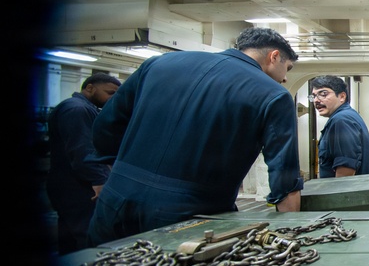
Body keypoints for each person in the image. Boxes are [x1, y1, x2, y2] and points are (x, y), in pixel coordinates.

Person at [87, 27, 303, 244]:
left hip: (115, 198)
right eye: (288, 68)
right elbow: (284, 173)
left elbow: (106, 126)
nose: (285, 79)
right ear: (274, 56)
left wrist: (117, 174)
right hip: (190, 214)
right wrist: (290, 235)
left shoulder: (159, 64)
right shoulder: (273, 95)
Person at [45, 73, 121, 254]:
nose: (112, 99)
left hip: (66, 184)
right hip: (77, 187)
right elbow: (83, 151)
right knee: (88, 236)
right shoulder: (76, 109)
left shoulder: (77, 107)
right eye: (109, 93)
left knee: (69, 237)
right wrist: (99, 181)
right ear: (90, 88)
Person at [310, 75, 369, 177]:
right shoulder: (346, 116)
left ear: (342, 97)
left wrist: (335, 193)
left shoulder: (342, 120)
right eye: (313, 96)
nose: (316, 100)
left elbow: (346, 169)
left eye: (323, 94)